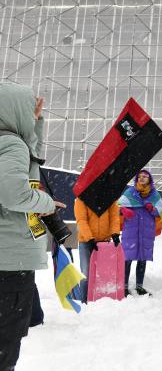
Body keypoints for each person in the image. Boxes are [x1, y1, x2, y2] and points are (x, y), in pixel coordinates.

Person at [0, 85, 68, 371]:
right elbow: (13, 192)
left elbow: (29, 160)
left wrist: (36, 123)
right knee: (6, 344)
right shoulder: (11, 144)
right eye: (28, 112)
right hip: (10, 259)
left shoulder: (8, 143)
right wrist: (47, 203)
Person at [118, 170, 162, 296]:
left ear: (150, 180)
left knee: (142, 259)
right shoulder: (129, 193)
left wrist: (153, 209)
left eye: (145, 177)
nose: (142, 178)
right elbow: (118, 208)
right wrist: (123, 211)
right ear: (137, 179)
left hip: (146, 232)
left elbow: (161, 213)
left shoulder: (155, 195)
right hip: (131, 232)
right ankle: (124, 287)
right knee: (127, 259)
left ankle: (139, 286)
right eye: (140, 176)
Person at [74, 198, 121, 302]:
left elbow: (114, 217)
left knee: (104, 273)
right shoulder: (82, 199)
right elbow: (81, 220)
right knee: (86, 273)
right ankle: (84, 300)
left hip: (104, 242)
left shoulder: (110, 197)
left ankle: (101, 299)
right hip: (86, 242)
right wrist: (89, 238)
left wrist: (115, 233)